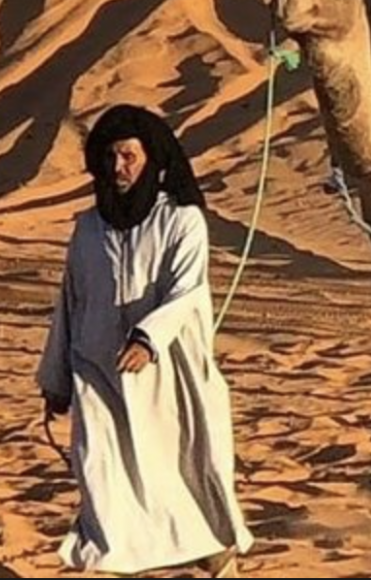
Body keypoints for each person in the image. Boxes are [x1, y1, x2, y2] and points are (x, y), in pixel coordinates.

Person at [38, 105, 252, 577]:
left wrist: (148, 337)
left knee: (185, 485)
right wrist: (55, 380)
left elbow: (188, 290)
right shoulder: (88, 229)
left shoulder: (182, 221)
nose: (119, 168)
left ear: (152, 159)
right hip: (98, 376)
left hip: (170, 382)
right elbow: (70, 300)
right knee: (104, 485)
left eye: (129, 157)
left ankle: (220, 564)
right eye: (111, 157)